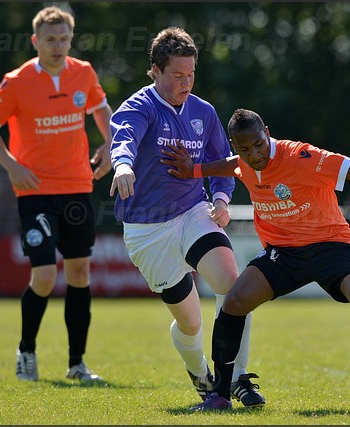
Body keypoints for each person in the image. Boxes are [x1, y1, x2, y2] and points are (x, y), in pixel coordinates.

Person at [162, 108, 350, 411]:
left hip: (331, 245)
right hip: (283, 253)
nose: (254, 154)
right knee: (234, 302)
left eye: (258, 144)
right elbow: (231, 166)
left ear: (266, 132)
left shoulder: (302, 157)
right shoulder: (243, 161)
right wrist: (195, 170)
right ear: (235, 145)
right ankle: (220, 396)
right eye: (244, 149)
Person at [109, 28, 265, 407]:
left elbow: (220, 165)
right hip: (147, 232)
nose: (186, 82)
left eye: (191, 74)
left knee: (233, 284)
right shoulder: (139, 106)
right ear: (155, 72)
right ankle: (201, 375)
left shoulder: (204, 112)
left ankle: (238, 378)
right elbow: (124, 136)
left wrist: (224, 199)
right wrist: (122, 165)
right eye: (177, 75)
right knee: (191, 323)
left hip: (193, 212)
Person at [0, 6, 113, 382]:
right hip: (34, 191)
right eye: (50, 39)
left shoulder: (82, 73)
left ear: (72, 39)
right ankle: (26, 352)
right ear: (36, 41)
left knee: (80, 271)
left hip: (76, 185)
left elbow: (102, 110)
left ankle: (77, 363)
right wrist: (12, 166)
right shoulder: (17, 81)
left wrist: (109, 144)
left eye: (64, 38)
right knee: (44, 277)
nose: (58, 45)